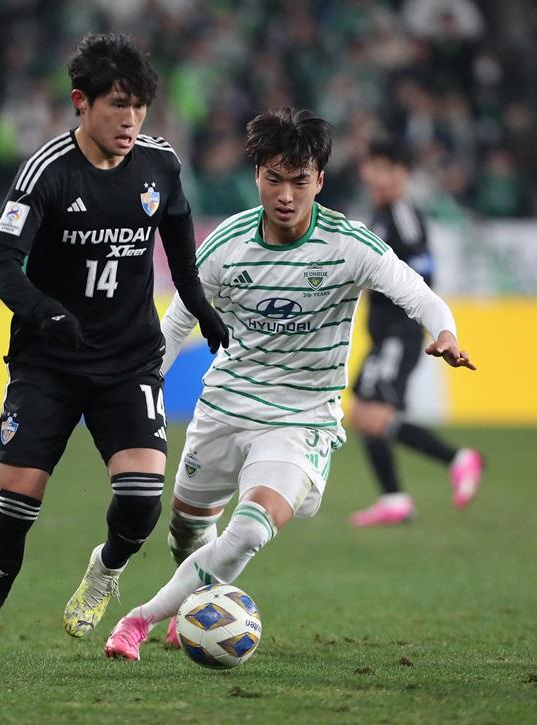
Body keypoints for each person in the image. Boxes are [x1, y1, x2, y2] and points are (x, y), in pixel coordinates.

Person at [103, 107, 475, 661]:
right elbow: (178, 322)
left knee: (250, 531)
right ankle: (194, 603)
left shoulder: (349, 244)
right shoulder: (226, 243)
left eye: (299, 181)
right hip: (225, 407)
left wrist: (444, 332)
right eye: (274, 179)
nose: (285, 195)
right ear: (257, 175)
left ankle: (139, 620)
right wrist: (143, 384)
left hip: (300, 418)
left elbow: (418, 293)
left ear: (319, 180)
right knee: (185, 529)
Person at [0, 32, 228, 675]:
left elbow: (180, 252)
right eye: (118, 104)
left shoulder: (160, 166)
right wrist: (46, 311)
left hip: (128, 360)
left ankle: (106, 568)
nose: (131, 120)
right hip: (49, 362)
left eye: (140, 106)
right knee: (16, 503)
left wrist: (202, 308)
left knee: (142, 501)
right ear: (80, 102)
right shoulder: (47, 171)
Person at [348, 140, 483, 527]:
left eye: (386, 169)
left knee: (374, 415)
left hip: (399, 332)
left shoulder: (404, 216)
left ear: (403, 175)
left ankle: (457, 460)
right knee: (363, 412)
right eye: (373, 167)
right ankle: (394, 498)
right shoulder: (379, 216)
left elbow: (422, 275)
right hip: (383, 334)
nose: (377, 177)